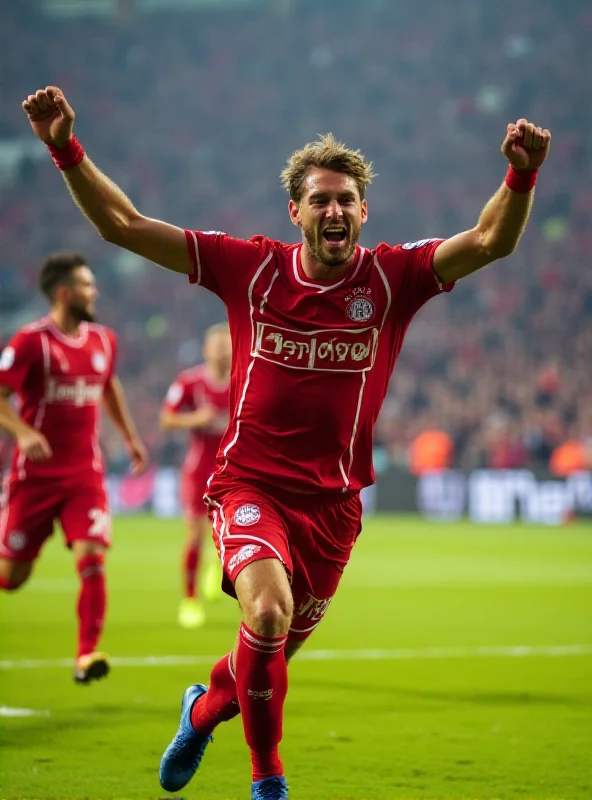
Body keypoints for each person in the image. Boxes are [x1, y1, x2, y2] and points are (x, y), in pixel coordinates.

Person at [22, 85, 551, 799]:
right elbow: (122, 224)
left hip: (333, 509)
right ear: (296, 212)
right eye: (320, 199)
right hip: (249, 486)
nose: (334, 210)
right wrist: (63, 146)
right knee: (266, 614)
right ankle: (268, 781)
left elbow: (492, 240)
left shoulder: (393, 278)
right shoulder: (251, 268)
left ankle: (201, 713)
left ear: (363, 212)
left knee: (254, 664)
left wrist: (519, 176)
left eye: (346, 200)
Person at [0, 251, 148, 684]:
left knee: (92, 558)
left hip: (85, 474)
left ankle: (86, 654)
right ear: (64, 293)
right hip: (36, 476)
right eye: (86, 285)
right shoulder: (31, 342)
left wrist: (129, 435)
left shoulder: (103, 340)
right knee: (12, 578)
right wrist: (23, 432)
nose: (94, 291)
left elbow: (109, 386)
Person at [160, 322, 231, 628]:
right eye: (216, 345)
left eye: (226, 344)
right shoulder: (190, 382)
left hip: (234, 469)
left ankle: (219, 566)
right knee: (195, 534)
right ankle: (190, 600)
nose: (221, 350)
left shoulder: (246, 378)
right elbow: (166, 419)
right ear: (206, 350)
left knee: (232, 531)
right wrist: (197, 419)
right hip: (199, 468)